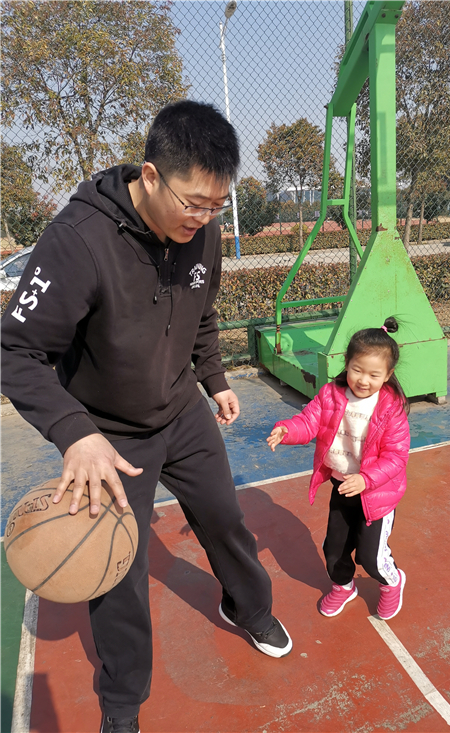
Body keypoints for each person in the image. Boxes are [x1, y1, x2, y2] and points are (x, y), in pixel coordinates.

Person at [1, 100, 292, 733]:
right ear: (151, 176)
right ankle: (122, 702)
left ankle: (249, 608)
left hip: (182, 410)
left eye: (217, 206)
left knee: (225, 518)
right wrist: (75, 433)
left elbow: (202, 313)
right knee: (117, 570)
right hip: (107, 434)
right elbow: (15, 352)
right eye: (194, 203)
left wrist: (214, 379)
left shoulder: (201, 231)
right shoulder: (77, 240)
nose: (204, 218)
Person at [267, 318, 410, 621]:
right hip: (342, 486)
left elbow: (396, 457)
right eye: (357, 370)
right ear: (346, 363)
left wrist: (366, 479)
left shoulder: (391, 408)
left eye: (374, 374)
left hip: (376, 494)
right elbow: (309, 421)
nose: (363, 380)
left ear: (388, 375)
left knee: (371, 558)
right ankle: (344, 587)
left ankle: (392, 582)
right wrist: (287, 430)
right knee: (334, 549)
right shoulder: (331, 394)